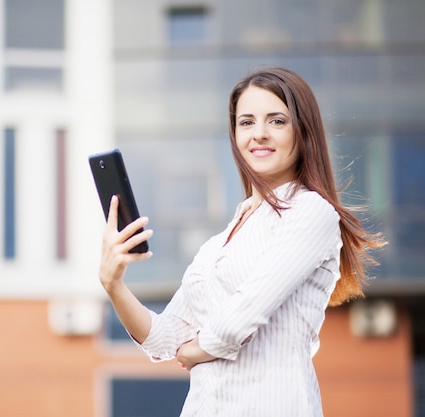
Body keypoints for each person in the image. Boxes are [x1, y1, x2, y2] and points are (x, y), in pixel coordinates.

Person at [98, 67, 384, 416]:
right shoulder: (219, 244)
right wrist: (114, 284)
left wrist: (195, 350)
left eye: (276, 121)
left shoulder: (311, 211)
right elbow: (163, 340)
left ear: (303, 131)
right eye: (246, 122)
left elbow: (240, 319)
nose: (259, 134)